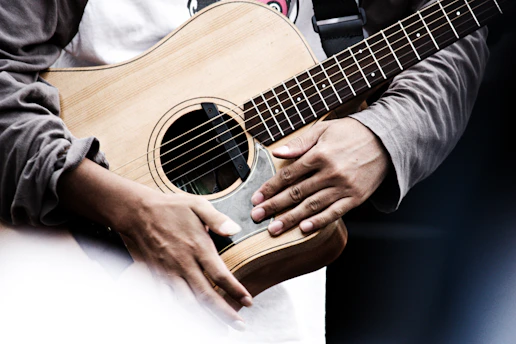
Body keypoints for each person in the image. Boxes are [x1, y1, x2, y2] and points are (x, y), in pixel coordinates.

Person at [0, 0, 489, 343]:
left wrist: (383, 135)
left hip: (271, 314)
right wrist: (120, 205)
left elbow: (450, 28)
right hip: (61, 286)